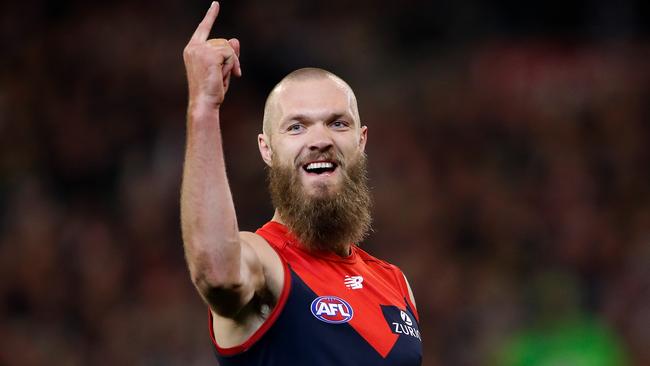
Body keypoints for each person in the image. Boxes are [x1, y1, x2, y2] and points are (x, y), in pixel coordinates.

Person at [181, 2, 422, 365]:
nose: (320, 138)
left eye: (338, 123)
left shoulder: (395, 283)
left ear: (361, 140)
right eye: (296, 127)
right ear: (267, 149)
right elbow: (216, 274)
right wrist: (204, 107)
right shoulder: (265, 262)